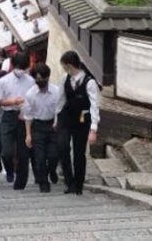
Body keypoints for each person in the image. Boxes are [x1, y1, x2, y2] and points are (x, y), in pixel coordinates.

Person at [57, 50, 100, 195]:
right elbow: (60, 99)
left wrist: (93, 129)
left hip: (82, 119)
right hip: (66, 116)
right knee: (63, 147)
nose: (64, 69)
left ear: (69, 65)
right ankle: (69, 181)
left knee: (79, 152)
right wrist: (56, 119)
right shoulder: (65, 79)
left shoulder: (89, 82)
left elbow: (94, 106)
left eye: (64, 66)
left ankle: (78, 184)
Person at [0, 52, 34, 189]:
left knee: (23, 151)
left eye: (23, 67)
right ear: (13, 65)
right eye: (18, 66)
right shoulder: (3, 81)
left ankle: (21, 181)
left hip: (25, 117)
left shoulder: (30, 81)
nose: (21, 70)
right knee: (6, 151)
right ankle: (10, 169)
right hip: (8, 116)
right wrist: (13, 101)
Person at [22, 63, 61, 193]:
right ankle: (43, 182)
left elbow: (59, 110)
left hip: (53, 126)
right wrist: (28, 134)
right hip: (38, 126)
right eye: (37, 79)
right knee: (39, 157)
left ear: (48, 77)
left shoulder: (56, 91)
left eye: (42, 78)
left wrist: (57, 123)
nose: (40, 81)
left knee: (53, 155)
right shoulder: (30, 94)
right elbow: (28, 115)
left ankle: (52, 170)